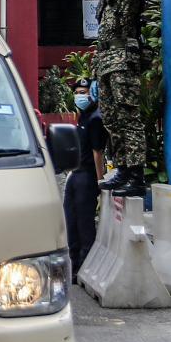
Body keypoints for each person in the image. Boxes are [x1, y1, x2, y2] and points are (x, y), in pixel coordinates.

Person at [92, 0, 147, 197]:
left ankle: (136, 175)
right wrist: (92, 75)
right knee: (111, 120)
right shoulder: (105, 1)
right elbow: (100, 41)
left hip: (123, 63)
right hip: (105, 65)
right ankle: (123, 169)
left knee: (128, 119)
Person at [63, 77, 107, 281]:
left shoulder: (95, 118)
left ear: (93, 94)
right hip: (76, 173)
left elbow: (97, 152)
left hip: (87, 176)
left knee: (84, 225)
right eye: (78, 92)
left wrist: (100, 181)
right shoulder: (83, 116)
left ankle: (84, 267)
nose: (81, 96)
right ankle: (73, 266)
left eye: (85, 92)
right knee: (71, 222)